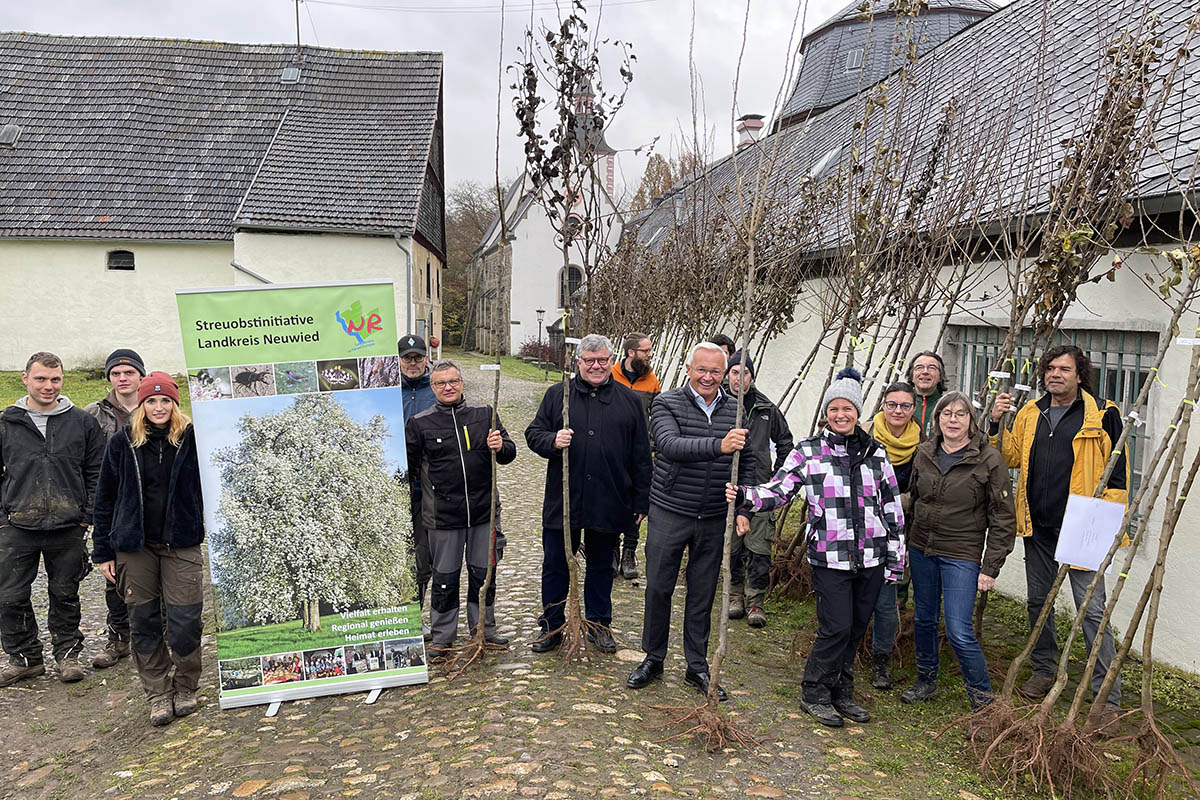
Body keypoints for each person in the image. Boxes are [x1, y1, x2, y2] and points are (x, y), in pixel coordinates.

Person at [728, 367, 904, 727]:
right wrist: (745, 496)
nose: (841, 415)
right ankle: (815, 691)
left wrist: (895, 560)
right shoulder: (810, 451)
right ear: (826, 413)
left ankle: (842, 692)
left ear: (858, 412)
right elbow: (778, 490)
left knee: (856, 627)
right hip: (830, 555)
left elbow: (892, 509)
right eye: (834, 409)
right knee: (836, 626)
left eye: (848, 409)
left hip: (871, 556)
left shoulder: (877, 453)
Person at [990, 344, 1127, 723]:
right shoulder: (1031, 412)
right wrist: (995, 423)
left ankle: (1105, 697)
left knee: (1092, 611)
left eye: (1064, 369)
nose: (1055, 375)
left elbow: (1118, 472)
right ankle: (1044, 669)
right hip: (1039, 525)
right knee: (1039, 602)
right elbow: (1009, 457)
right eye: (1050, 368)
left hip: (1082, 527)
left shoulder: (1103, 413)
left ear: (1080, 375)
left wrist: (1105, 526)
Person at [626, 342, 754, 702]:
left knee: (702, 594)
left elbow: (748, 462)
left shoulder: (738, 410)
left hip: (714, 515)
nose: (708, 378)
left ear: (725, 372)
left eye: (716, 371)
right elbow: (669, 445)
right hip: (670, 509)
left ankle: (697, 665)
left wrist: (743, 508)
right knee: (659, 588)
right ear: (688, 369)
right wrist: (719, 446)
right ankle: (653, 657)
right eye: (702, 370)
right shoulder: (667, 403)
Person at [526, 334, 652, 654]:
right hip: (563, 499)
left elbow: (640, 455)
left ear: (612, 361)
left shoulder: (630, 401)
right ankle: (552, 627)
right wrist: (553, 441)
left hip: (609, 498)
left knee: (600, 566)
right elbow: (533, 434)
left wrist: (640, 500)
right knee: (556, 563)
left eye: (603, 360)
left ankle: (599, 625)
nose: (596, 366)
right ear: (578, 362)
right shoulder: (559, 396)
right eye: (589, 361)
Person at [91, 372, 205, 726]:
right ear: (141, 405)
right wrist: (102, 550)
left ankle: (185, 686)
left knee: (185, 620)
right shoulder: (123, 442)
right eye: (151, 401)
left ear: (175, 403)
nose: (158, 407)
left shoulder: (190, 439)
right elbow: (104, 497)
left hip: (181, 543)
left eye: (165, 400)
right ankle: (157, 692)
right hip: (134, 547)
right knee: (143, 621)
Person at [900, 391, 1016, 711]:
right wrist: (906, 543)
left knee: (958, 630)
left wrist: (990, 567)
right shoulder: (923, 452)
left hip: (960, 554)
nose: (953, 420)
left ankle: (983, 703)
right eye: (946, 414)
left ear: (971, 421)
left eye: (960, 414)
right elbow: (913, 500)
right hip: (922, 548)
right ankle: (926, 681)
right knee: (923, 618)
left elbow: (1004, 517)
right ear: (937, 420)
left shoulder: (988, 460)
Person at [0, 352, 105, 687]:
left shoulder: (82, 422)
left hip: (68, 526)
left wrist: (84, 517)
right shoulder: (6, 423)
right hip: (17, 525)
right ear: (25, 378)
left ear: (63, 380)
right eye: (41, 379)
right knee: (10, 596)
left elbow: (96, 472)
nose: (48, 386)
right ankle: (26, 658)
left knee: (65, 592)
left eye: (55, 379)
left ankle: (68, 654)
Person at [405, 359, 516, 657]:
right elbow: (409, 471)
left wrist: (500, 446)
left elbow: (509, 453)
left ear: (462, 383)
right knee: (444, 578)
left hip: (484, 512)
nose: (448, 387)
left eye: (453, 381)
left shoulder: (484, 414)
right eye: (441, 383)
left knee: (484, 575)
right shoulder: (420, 423)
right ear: (433, 387)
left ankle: (484, 629)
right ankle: (442, 637)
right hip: (443, 517)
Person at [84, 348, 146, 670]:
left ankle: (154, 636)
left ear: (140, 376)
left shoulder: (156, 407)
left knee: (155, 572)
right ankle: (118, 638)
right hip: (113, 505)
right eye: (116, 374)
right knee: (114, 575)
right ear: (109, 377)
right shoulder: (93, 414)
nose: (122, 379)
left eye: (129, 373)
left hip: (151, 505)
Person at [724, 351, 792, 628]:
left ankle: (755, 601)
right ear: (728, 375)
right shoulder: (718, 405)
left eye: (746, 373)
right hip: (727, 488)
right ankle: (734, 596)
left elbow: (786, 443)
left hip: (760, 491)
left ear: (753, 376)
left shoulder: (766, 408)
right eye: (735, 372)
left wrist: (776, 479)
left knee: (760, 549)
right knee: (731, 547)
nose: (740, 379)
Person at [863, 380, 920, 690]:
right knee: (851, 597)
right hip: (859, 529)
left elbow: (925, 491)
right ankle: (845, 653)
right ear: (882, 405)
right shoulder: (864, 434)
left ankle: (880, 661)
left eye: (905, 405)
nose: (898, 410)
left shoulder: (924, 443)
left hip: (900, 533)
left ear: (913, 409)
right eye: (892, 404)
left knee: (887, 602)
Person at [610, 332, 662, 580]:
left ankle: (630, 551)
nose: (650, 355)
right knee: (610, 498)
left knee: (637, 501)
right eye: (646, 351)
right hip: (611, 448)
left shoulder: (652, 380)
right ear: (631, 353)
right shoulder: (611, 375)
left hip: (640, 451)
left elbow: (658, 415)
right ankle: (611, 551)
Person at [399, 334, 436, 637]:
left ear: (426, 359)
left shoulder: (435, 390)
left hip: (427, 488)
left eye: (417, 358)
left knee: (422, 556)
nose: (412, 363)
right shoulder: (387, 390)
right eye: (407, 358)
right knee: (397, 554)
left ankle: (417, 615)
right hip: (395, 488)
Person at [906, 351, 946, 439]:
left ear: (940, 376)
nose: (925, 372)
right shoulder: (898, 405)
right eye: (919, 367)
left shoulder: (947, 405)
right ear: (911, 376)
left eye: (931, 368)